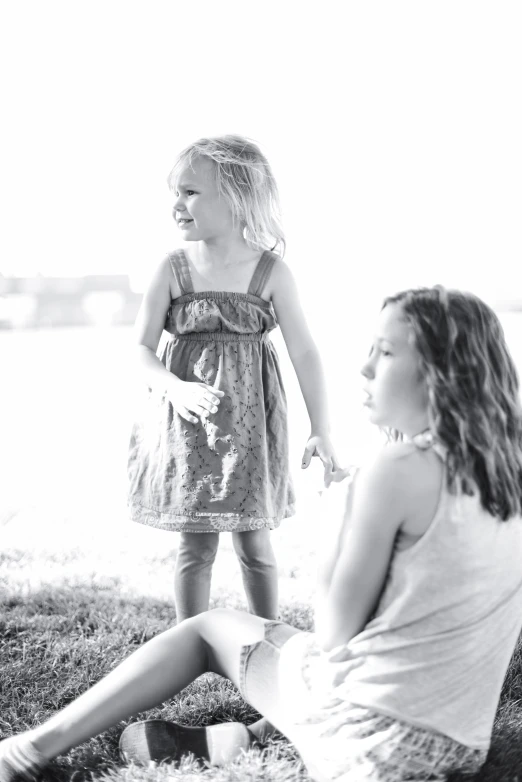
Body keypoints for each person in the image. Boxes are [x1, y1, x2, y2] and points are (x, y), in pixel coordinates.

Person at [2, 286, 522, 782]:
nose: (363, 367)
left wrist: (340, 517)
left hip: (369, 743)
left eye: (385, 353)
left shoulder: (397, 470)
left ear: (442, 373)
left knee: (209, 629)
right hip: (459, 745)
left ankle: (27, 750)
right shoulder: (507, 470)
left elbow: (335, 635)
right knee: (289, 650)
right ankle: (240, 738)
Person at [127, 135, 339, 623]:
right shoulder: (173, 269)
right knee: (194, 547)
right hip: (189, 426)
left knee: (255, 545)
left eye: (190, 192)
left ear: (237, 198)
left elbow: (305, 351)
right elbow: (139, 350)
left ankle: (269, 636)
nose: (176, 205)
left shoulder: (271, 273)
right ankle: (189, 639)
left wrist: (321, 427)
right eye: (175, 193)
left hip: (250, 430)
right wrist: (173, 387)